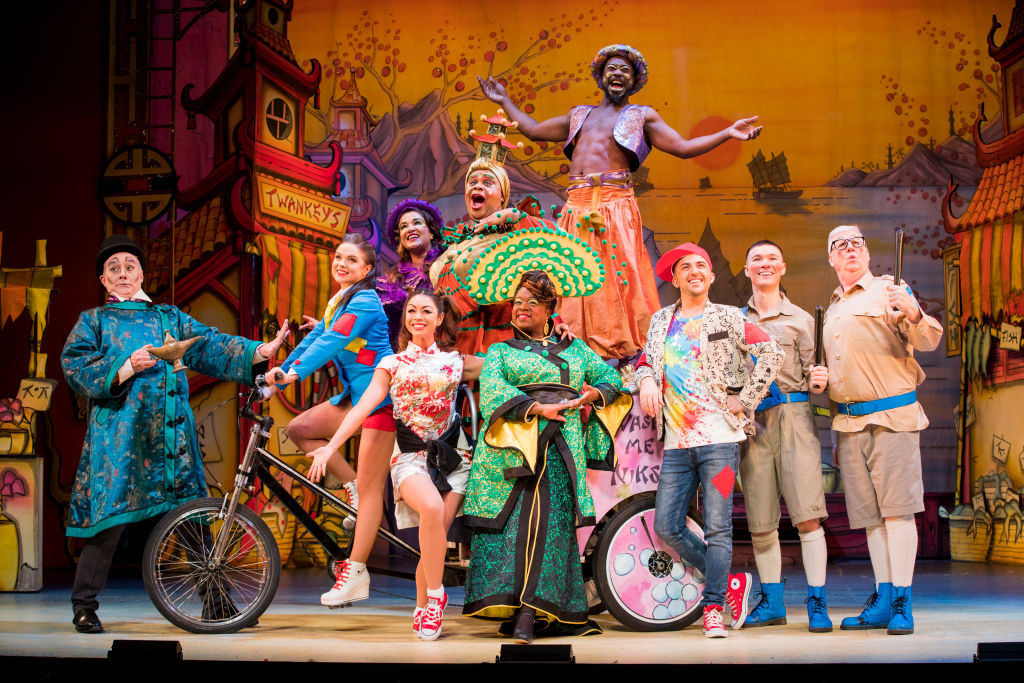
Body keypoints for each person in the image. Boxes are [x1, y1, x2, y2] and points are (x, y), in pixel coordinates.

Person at [61, 234, 290, 634]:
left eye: (129, 266)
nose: (122, 274)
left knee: (192, 518)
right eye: (113, 269)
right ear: (103, 279)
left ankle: (217, 602)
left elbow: (209, 346)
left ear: (142, 273)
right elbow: (76, 366)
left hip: (172, 440)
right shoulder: (94, 321)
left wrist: (258, 352)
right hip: (121, 440)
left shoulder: (169, 318)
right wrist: (127, 364)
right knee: (107, 523)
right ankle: (85, 605)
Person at [478, 44, 762, 360]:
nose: (618, 73)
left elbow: (682, 146)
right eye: (612, 68)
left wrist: (727, 133)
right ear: (600, 77)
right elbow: (532, 130)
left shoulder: (642, 116)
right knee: (571, 275)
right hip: (577, 204)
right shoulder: (579, 115)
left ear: (633, 81)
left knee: (616, 277)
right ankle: (571, 345)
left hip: (614, 203)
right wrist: (504, 100)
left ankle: (625, 352)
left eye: (625, 70)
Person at [462, 270, 632, 643]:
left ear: (550, 310)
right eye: (517, 302)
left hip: (560, 444)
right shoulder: (501, 351)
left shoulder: (575, 349)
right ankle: (519, 605)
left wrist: (591, 395)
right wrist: (537, 408)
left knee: (550, 525)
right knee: (515, 526)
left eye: (532, 303)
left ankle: (533, 612)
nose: (522, 308)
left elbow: (614, 380)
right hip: (516, 445)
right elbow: (493, 388)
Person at [303, 291, 482, 640]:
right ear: (406, 319)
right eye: (412, 310)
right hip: (410, 459)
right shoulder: (392, 364)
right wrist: (331, 447)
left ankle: (420, 608)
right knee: (429, 509)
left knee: (433, 540)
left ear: (439, 317)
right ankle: (436, 598)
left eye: (426, 310)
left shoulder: (456, 362)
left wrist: (552, 334)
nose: (418, 316)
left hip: (455, 460)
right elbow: (362, 407)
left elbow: (510, 364)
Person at [635, 242, 782, 638]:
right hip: (678, 445)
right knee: (668, 526)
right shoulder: (661, 321)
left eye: (702, 265)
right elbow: (644, 361)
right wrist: (646, 379)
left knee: (718, 527)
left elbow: (771, 353)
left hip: (720, 443)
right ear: (675, 278)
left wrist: (746, 399)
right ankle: (731, 580)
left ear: (712, 276)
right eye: (686, 267)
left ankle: (713, 606)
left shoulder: (730, 317)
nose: (695, 271)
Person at [809, 225, 942, 636]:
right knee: (871, 519)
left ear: (867, 253)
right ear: (831, 258)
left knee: (897, 511)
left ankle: (903, 600)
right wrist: (820, 381)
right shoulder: (830, 309)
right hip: (848, 425)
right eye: (840, 246)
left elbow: (930, 338)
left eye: (857, 244)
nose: (850, 250)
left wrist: (914, 311)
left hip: (891, 420)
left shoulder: (890, 291)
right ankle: (885, 596)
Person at [265, 232, 395, 608]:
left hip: (380, 402)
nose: (341, 263)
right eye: (338, 257)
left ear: (367, 269)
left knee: (374, 492)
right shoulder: (340, 300)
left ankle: (355, 573)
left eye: (351, 260)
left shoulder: (366, 301)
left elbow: (331, 342)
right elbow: (316, 338)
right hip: (354, 398)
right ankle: (351, 487)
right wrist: (281, 371)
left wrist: (294, 374)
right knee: (299, 429)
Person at [738, 240, 831, 632]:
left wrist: (822, 380)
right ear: (746, 270)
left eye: (772, 258)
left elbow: (818, 373)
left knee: (808, 517)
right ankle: (772, 601)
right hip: (752, 423)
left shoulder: (802, 320)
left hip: (795, 417)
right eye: (756, 259)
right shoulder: (732, 320)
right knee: (760, 521)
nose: (765, 264)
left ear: (783, 268)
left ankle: (817, 602)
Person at [430, 157, 572, 355]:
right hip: (458, 340)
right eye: (472, 182)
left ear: (502, 195)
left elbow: (550, 250)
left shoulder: (515, 231)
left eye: (487, 182)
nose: (477, 186)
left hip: (502, 339)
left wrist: (553, 321)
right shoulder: (457, 240)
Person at [377, 199, 445, 345]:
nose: (410, 229)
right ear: (400, 239)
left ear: (432, 233)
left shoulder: (447, 267)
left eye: (417, 223)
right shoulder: (388, 284)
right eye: (403, 226)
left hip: (446, 351)